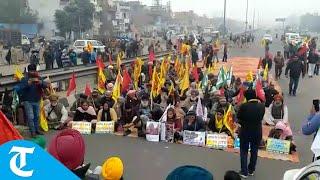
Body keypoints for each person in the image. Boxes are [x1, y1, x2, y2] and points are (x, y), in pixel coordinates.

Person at [14, 64, 49, 137]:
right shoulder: (24, 79)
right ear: (28, 71)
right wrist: (27, 84)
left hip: (37, 100)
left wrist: (41, 83)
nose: (33, 72)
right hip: (28, 101)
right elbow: (19, 88)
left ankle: (36, 130)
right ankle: (32, 132)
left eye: (34, 71)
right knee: (30, 117)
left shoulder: (38, 77)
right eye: (31, 71)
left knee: (37, 116)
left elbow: (46, 85)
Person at [237, 89, 265, 178]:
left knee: (244, 151)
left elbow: (239, 117)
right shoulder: (261, 106)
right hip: (257, 131)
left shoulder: (244, 106)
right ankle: (251, 169)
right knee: (254, 151)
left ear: (246, 97)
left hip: (245, 131)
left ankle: (244, 172)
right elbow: (261, 117)